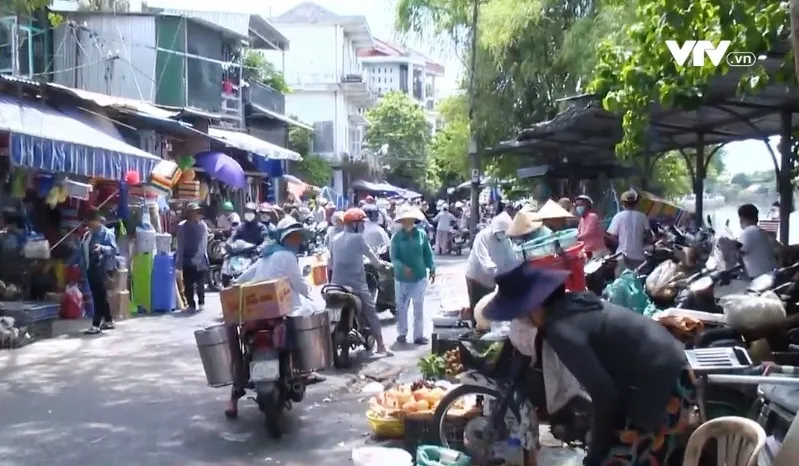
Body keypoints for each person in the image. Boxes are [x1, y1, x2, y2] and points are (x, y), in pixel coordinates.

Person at [483, 262, 694, 466]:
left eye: (518, 314)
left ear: (535, 306)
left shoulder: (560, 330)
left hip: (664, 384)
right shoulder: (573, 304)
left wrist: (596, 451)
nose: (520, 321)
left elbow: (605, 395)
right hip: (669, 364)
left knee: (620, 456)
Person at [224, 216, 318, 419]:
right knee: (298, 326)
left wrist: (234, 284)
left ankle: (233, 397)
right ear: (284, 238)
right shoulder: (286, 256)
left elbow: (248, 274)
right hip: (278, 311)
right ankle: (304, 370)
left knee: (242, 351)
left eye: (297, 238)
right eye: (292, 237)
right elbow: (299, 282)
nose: (296, 241)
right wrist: (311, 295)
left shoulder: (267, 253)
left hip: (255, 312)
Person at [329, 208, 392, 356]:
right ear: (354, 224)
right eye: (362, 223)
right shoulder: (358, 239)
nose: (364, 226)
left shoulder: (335, 239)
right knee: (372, 312)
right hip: (356, 286)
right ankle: (381, 346)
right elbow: (374, 260)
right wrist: (383, 266)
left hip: (336, 284)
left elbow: (331, 263)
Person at [390, 207, 436, 345]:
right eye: (405, 220)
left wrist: (432, 267)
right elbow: (394, 258)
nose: (407, 222)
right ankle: (402, 333)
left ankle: (418, 336)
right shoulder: (396, 237)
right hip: (401, 279)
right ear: (402, 221)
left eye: (410, 220)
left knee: (418, 308)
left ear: (413, 220)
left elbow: (427, 253)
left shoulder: (421, 235)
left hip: (419, 277)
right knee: (402, 308)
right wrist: (403, 268)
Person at [464, 212, 520, 312]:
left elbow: (511, 259)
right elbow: (485, 261)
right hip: (476, 278)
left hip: (491, 280)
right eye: (502, 232)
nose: (503, 234)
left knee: (489, 310)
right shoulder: (482, 237)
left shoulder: (506, 240)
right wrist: (500, 275)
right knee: (477, 310)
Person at [82, 210, 119, 334]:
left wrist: (102, 248)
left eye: (91, 222)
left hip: (101, 268)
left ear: (97, 221)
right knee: (100, 296)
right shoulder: (88, 234)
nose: (89, 225)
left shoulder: (106, 234)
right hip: (90, 268)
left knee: (99, 297)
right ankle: (108, 320)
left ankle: (96, 324)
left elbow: (114, 249)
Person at [607, 190, 651, 276]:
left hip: (622, 256)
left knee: (620, 284)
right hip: (639, 257)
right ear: (636, 203)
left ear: (622, 203)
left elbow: (613, 237)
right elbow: (649, 237)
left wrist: (604, 235)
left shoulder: (618, 217)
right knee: (637, 284)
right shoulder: (643, 217)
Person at [175, 203, 210, 312]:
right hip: (187, 259)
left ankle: (201, 302)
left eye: (197, 212)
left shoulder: (202, 226)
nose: (196, 214)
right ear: (188, 213)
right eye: (193, 212)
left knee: (200, 282)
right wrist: (179, 262)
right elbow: (180, 245)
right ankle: (191, 304)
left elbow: (203, 244)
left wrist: (198, 258)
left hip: (200, 258)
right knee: (188, 283)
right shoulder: (182, 227)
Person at [737, 203, 778, 279]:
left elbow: (737, 253)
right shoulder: (762, 231)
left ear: (741, 218)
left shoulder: (748, 232)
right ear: (757, 217)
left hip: (761, 277)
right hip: (772, 273)